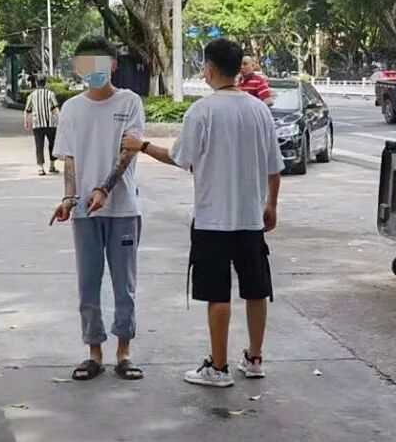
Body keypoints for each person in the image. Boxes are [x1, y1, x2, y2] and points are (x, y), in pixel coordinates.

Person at [124, 38, 282, 388]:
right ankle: (255, 359)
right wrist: (271, 204)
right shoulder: (260, 110)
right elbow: (274, 167)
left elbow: (179, 158)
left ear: (209, 70)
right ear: (238, 68)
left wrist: (142, 146)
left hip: (212, 220)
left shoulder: (202, 111)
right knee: (256, 290)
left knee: (218, 294)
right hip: (251, 219)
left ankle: (219, 368)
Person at [49, 35, 145, 383]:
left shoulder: (130, 102)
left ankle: (124, 353)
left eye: (99, 63)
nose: (92, 70)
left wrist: (104, 189)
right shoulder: (72, 108)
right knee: (88, 285)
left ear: (113, 65)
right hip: (85, 215)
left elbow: (128, 152)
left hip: (123, 209)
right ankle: (94, 353)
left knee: (124, 286)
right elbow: (70, 159)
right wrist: (68, 198)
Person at [24, 76, 60, 176]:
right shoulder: (50, 94)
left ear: (36, 83)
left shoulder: (31, 95)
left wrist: (26, 122)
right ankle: (52, 165)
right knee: (52, 144)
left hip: (37, 124)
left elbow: (27, 110)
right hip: (50, 124)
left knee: (39, 145)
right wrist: (60, 120)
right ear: (45, 83)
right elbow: (55, 109)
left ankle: (40, 168)